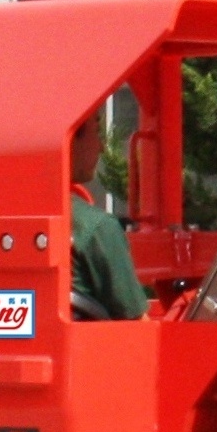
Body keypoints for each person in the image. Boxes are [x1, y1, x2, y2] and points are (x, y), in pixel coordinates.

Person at [69, 112, 147, 320]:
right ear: (69, 138)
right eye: (96, 132)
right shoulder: (97, 228)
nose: (102, 147)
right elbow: (138, 329)